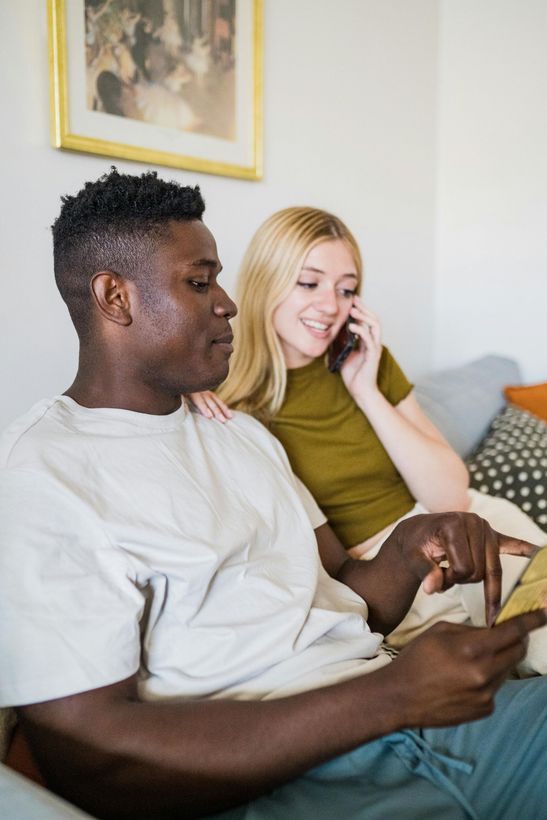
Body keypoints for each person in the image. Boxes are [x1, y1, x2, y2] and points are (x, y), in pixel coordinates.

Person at [1, 169, 546, 820]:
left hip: (412, 711)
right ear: (115, 297)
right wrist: (393, 696)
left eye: (218, 281)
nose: (228, 303)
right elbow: (85, 755)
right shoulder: (43, 475)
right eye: (199, 283)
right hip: (323, 767)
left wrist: (413, 545)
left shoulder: (241, 436)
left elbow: (346, 592)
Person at [189, 206, 547, 672]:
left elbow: (451, 494)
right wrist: (183, 392)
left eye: (346, 289)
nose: (330, 305)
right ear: (266, 281)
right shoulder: (225, 401)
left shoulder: (366, 362)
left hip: (472, 523)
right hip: (397, 575)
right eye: (308, 282)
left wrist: (366, 390)